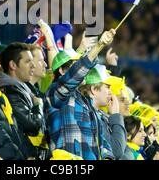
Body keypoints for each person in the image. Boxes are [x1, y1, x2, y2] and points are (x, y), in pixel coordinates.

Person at [46, 29, 115, 160]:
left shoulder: (85, 101)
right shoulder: (55, 93)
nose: (84, 70)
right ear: (62, 70)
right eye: (74, 65)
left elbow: (100, 139)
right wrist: (98, 46)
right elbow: (74, 75)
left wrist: (107, 157)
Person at [0, 42, 47, 159]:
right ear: (13, 65)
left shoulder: (22, 89)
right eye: (27, 61)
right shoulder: (10, 91)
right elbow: (32, 125)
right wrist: (37, 104)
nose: (33, 66)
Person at [80, 64, 126, 160]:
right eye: (108, 87)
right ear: (93, 89)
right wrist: (116, 116)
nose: (111, 92)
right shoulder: (88, 114)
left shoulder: (97, 113)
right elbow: (117, 151)